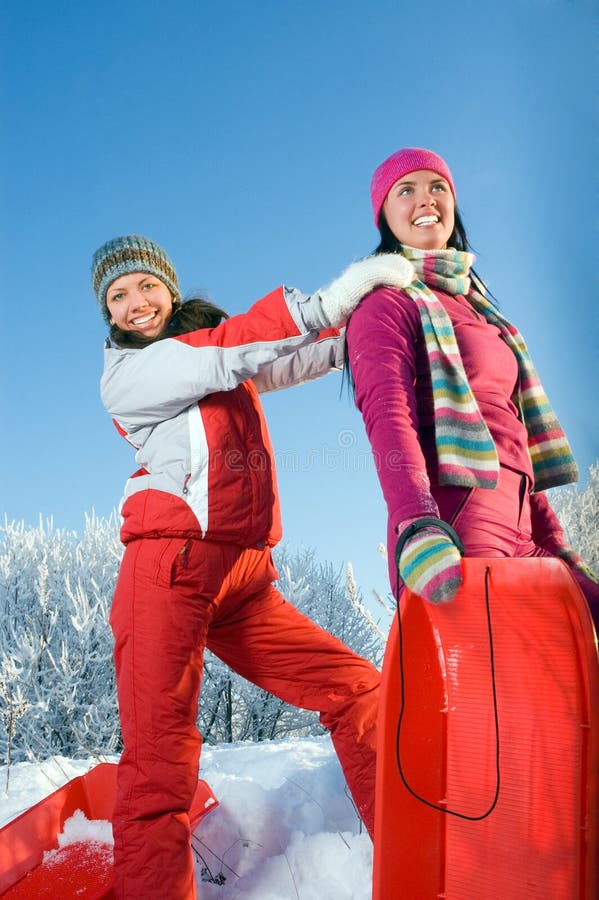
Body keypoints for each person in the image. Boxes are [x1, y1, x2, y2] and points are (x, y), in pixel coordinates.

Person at [91, 234, 415, 899]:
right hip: (169, 572)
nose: (135, 303)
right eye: (117, 296)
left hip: (243, 580)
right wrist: (329, 299)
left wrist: (375, 321)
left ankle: (415, 852)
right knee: (159, 764)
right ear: (109, 314)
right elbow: (227, 351)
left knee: (359, 689)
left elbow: (291, 357)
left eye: (145, 286)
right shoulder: (133, 374)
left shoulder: (214, 350)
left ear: (168, 288)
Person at [345, 147, 598, 629]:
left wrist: (557, 542)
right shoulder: (386, 304)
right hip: (459, 519)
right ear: (384, 214)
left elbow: (514, 436)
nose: (427, 199)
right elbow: (387, 415)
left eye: (438, 187)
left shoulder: (482, 310)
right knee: (499, 691)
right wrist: (417, 524)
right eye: (407, 190)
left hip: (521, 519)